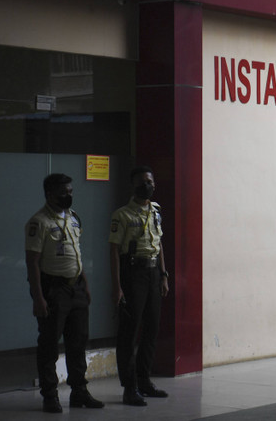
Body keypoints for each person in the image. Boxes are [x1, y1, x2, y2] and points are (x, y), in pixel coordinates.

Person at [25, 173, 104, 413]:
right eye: (63, 192)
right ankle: (50, 395)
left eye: (70, 191)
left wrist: (85, 284)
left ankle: (79, 391)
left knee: (78, 342)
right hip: (54, 290)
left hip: (76, 287)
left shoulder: (73, 217)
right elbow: (33, 264)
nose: (68, 195)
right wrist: (38, 298)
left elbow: (76, 254)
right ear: (49, 194)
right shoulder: (38, 222)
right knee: (49, 344)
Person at [109, 165, 170, 406]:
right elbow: (113, 251)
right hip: (132, 274)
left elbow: (159, 243)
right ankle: (129, 387)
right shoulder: (122, 215)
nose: (149, 186)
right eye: (144, 182)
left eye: (151, 181)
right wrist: (117, 287)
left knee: (152, 329)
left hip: (153, 273)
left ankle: (144, 380)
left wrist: (164, 275)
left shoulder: (155, 211)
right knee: (129, 332)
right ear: (133, 185)